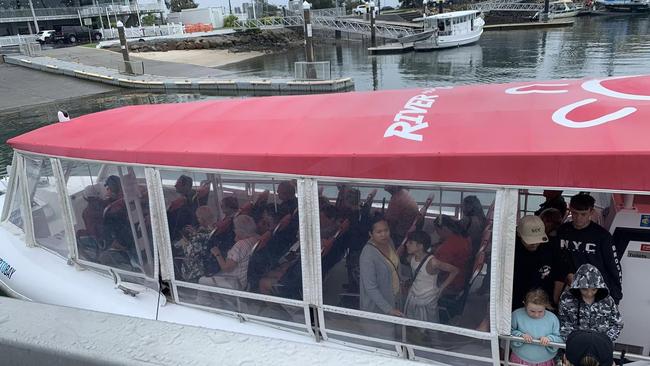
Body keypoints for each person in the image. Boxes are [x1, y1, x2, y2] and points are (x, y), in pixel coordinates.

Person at [557, 193, 622, 304]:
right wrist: (566, 274)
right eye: (575, 213)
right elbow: (556, 258)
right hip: (569, 289)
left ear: (591, 212)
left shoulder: (602, 236)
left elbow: (614, 268)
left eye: (583, 214)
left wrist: (615, 298)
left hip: (594, 292)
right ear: (570, 210)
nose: (578, 218)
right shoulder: (562, 231)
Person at [403, 230, 459, 323]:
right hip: (414, 295)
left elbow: (455, 271)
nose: (406, 244)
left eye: (410, 243)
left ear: (420, 246)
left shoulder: (433, 262)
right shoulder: (411, 258)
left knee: (430, 324)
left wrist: (441, 288)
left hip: (428, 298)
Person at [512, 215, 566, 311]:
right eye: (530, 240)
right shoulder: (511, 247)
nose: (535, 243)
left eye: (538, 240)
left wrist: (555, 299)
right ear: (519, 234)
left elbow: (560, 273)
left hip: (543, 301)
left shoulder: (551, 246)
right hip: (515, 298)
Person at [558, 264, 623, 342]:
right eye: (584, 289)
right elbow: (563, 323)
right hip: (576, 345)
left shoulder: (607, 300)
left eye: (594, 290)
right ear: (577, 287)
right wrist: (573, 342)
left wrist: (605, 341)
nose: (589, 293)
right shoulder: (567, 298)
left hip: (601, 346)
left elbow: (617, 323)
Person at [199, 215, 259, 291]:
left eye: (235, 228)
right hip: (246, 280)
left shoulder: (240, 245)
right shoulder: (256, 239)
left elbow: (226, 268)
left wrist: (217, 254)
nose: (234, 230)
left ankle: (201, 302)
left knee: (202, 280)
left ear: (240, 230)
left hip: (235, 281)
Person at [359, 217, 403, 317]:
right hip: (377, 307)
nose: (384, 235)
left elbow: (393, 267)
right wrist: (389, 309)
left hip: (395, 297)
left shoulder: (389, 242)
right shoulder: (368, 255)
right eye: (379, 232)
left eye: (386, 230)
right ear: (371, 234)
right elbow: (370, 288)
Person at [510, 289, 562, 366]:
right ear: (525, 304)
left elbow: (559, 338)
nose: (536, 315)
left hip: (544, 360)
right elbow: (509, 331)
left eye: (540, 311)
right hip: (520, 358)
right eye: (532, 311)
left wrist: (549, 339)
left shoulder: (553, 318)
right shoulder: (516, 315)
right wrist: (521, 336)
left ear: (546, 306)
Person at [167, 175, 198, 242]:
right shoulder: (191, 200)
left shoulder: (187, 202)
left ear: (186, 186)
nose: (175, 186)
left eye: (178, 183)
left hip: (179, 237)